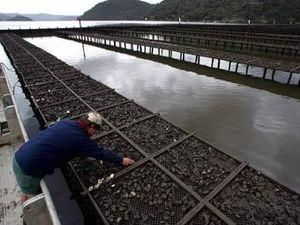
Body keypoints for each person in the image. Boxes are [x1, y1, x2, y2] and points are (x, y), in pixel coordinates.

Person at [12, 111, 135, 203]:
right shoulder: (81, 140)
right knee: (31, 200)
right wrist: (121, 160)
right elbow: (100, 153)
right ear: (91, 127)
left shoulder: (67, 122)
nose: (95, 133)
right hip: (27, 168)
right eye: (96, 130)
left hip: (21, 154)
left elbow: (64, 142)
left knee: (28, 191)